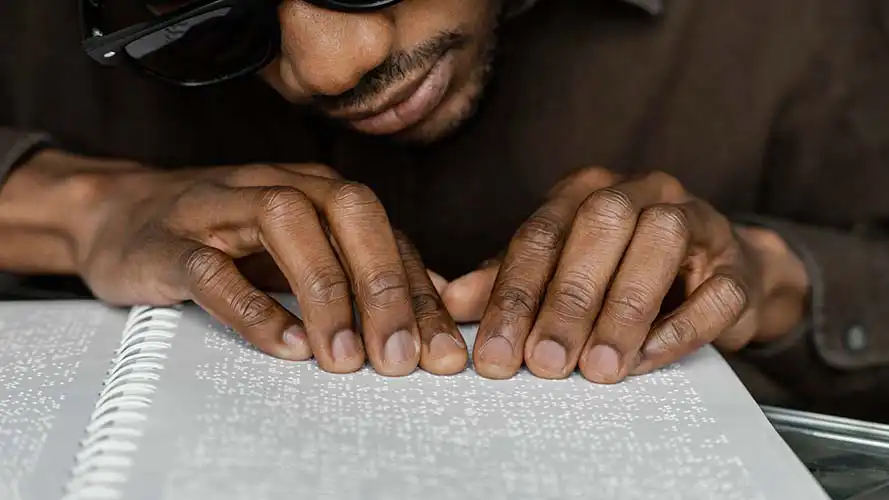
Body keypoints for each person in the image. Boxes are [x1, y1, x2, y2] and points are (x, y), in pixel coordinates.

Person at [1, 0, 888, 421]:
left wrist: (772, 279)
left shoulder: (799, 26)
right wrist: (79, 207)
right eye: (208, 11)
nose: (327, 67)